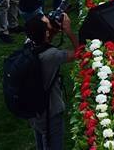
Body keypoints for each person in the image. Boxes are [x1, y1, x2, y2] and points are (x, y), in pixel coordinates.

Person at [23, 13, 80, 150]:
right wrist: (68, 31)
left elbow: (44, 41)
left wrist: (52, 30)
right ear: (46, 33)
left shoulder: (28, 45)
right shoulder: (51, 56)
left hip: (34, 108)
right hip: (51, 111)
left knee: (41, 140)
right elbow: (79, 53)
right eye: (47, 24)